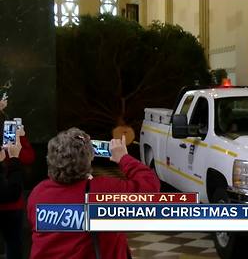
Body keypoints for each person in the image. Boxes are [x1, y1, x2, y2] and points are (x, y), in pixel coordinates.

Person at [27, 127, 160, 259]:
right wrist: (123, 158)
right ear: (88, 160)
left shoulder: (38, 193)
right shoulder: (103, 191)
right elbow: (150, 186)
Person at [0, 100, 36, 259]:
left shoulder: (14, 141)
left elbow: (28, 158)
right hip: (12, 202)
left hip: (13, 205)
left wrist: (21, 139)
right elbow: (28, 158)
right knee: (14, 241)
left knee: (14, 242)